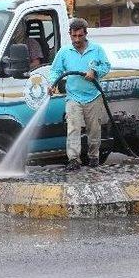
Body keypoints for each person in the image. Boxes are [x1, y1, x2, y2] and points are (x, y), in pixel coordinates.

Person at [48, 18, 111, 171]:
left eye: (80, 36)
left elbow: (107, 66)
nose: (77, 39)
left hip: (93, 96)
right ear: (70, 35)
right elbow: (55, 70)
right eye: (74, 36)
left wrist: (95, 72)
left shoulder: (96, 50)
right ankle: (74, 159)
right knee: (73, 128)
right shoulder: (64, 52)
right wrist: (53, 83)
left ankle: (94, 157)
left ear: (85, 34)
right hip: (73, 97)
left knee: (94, 129)